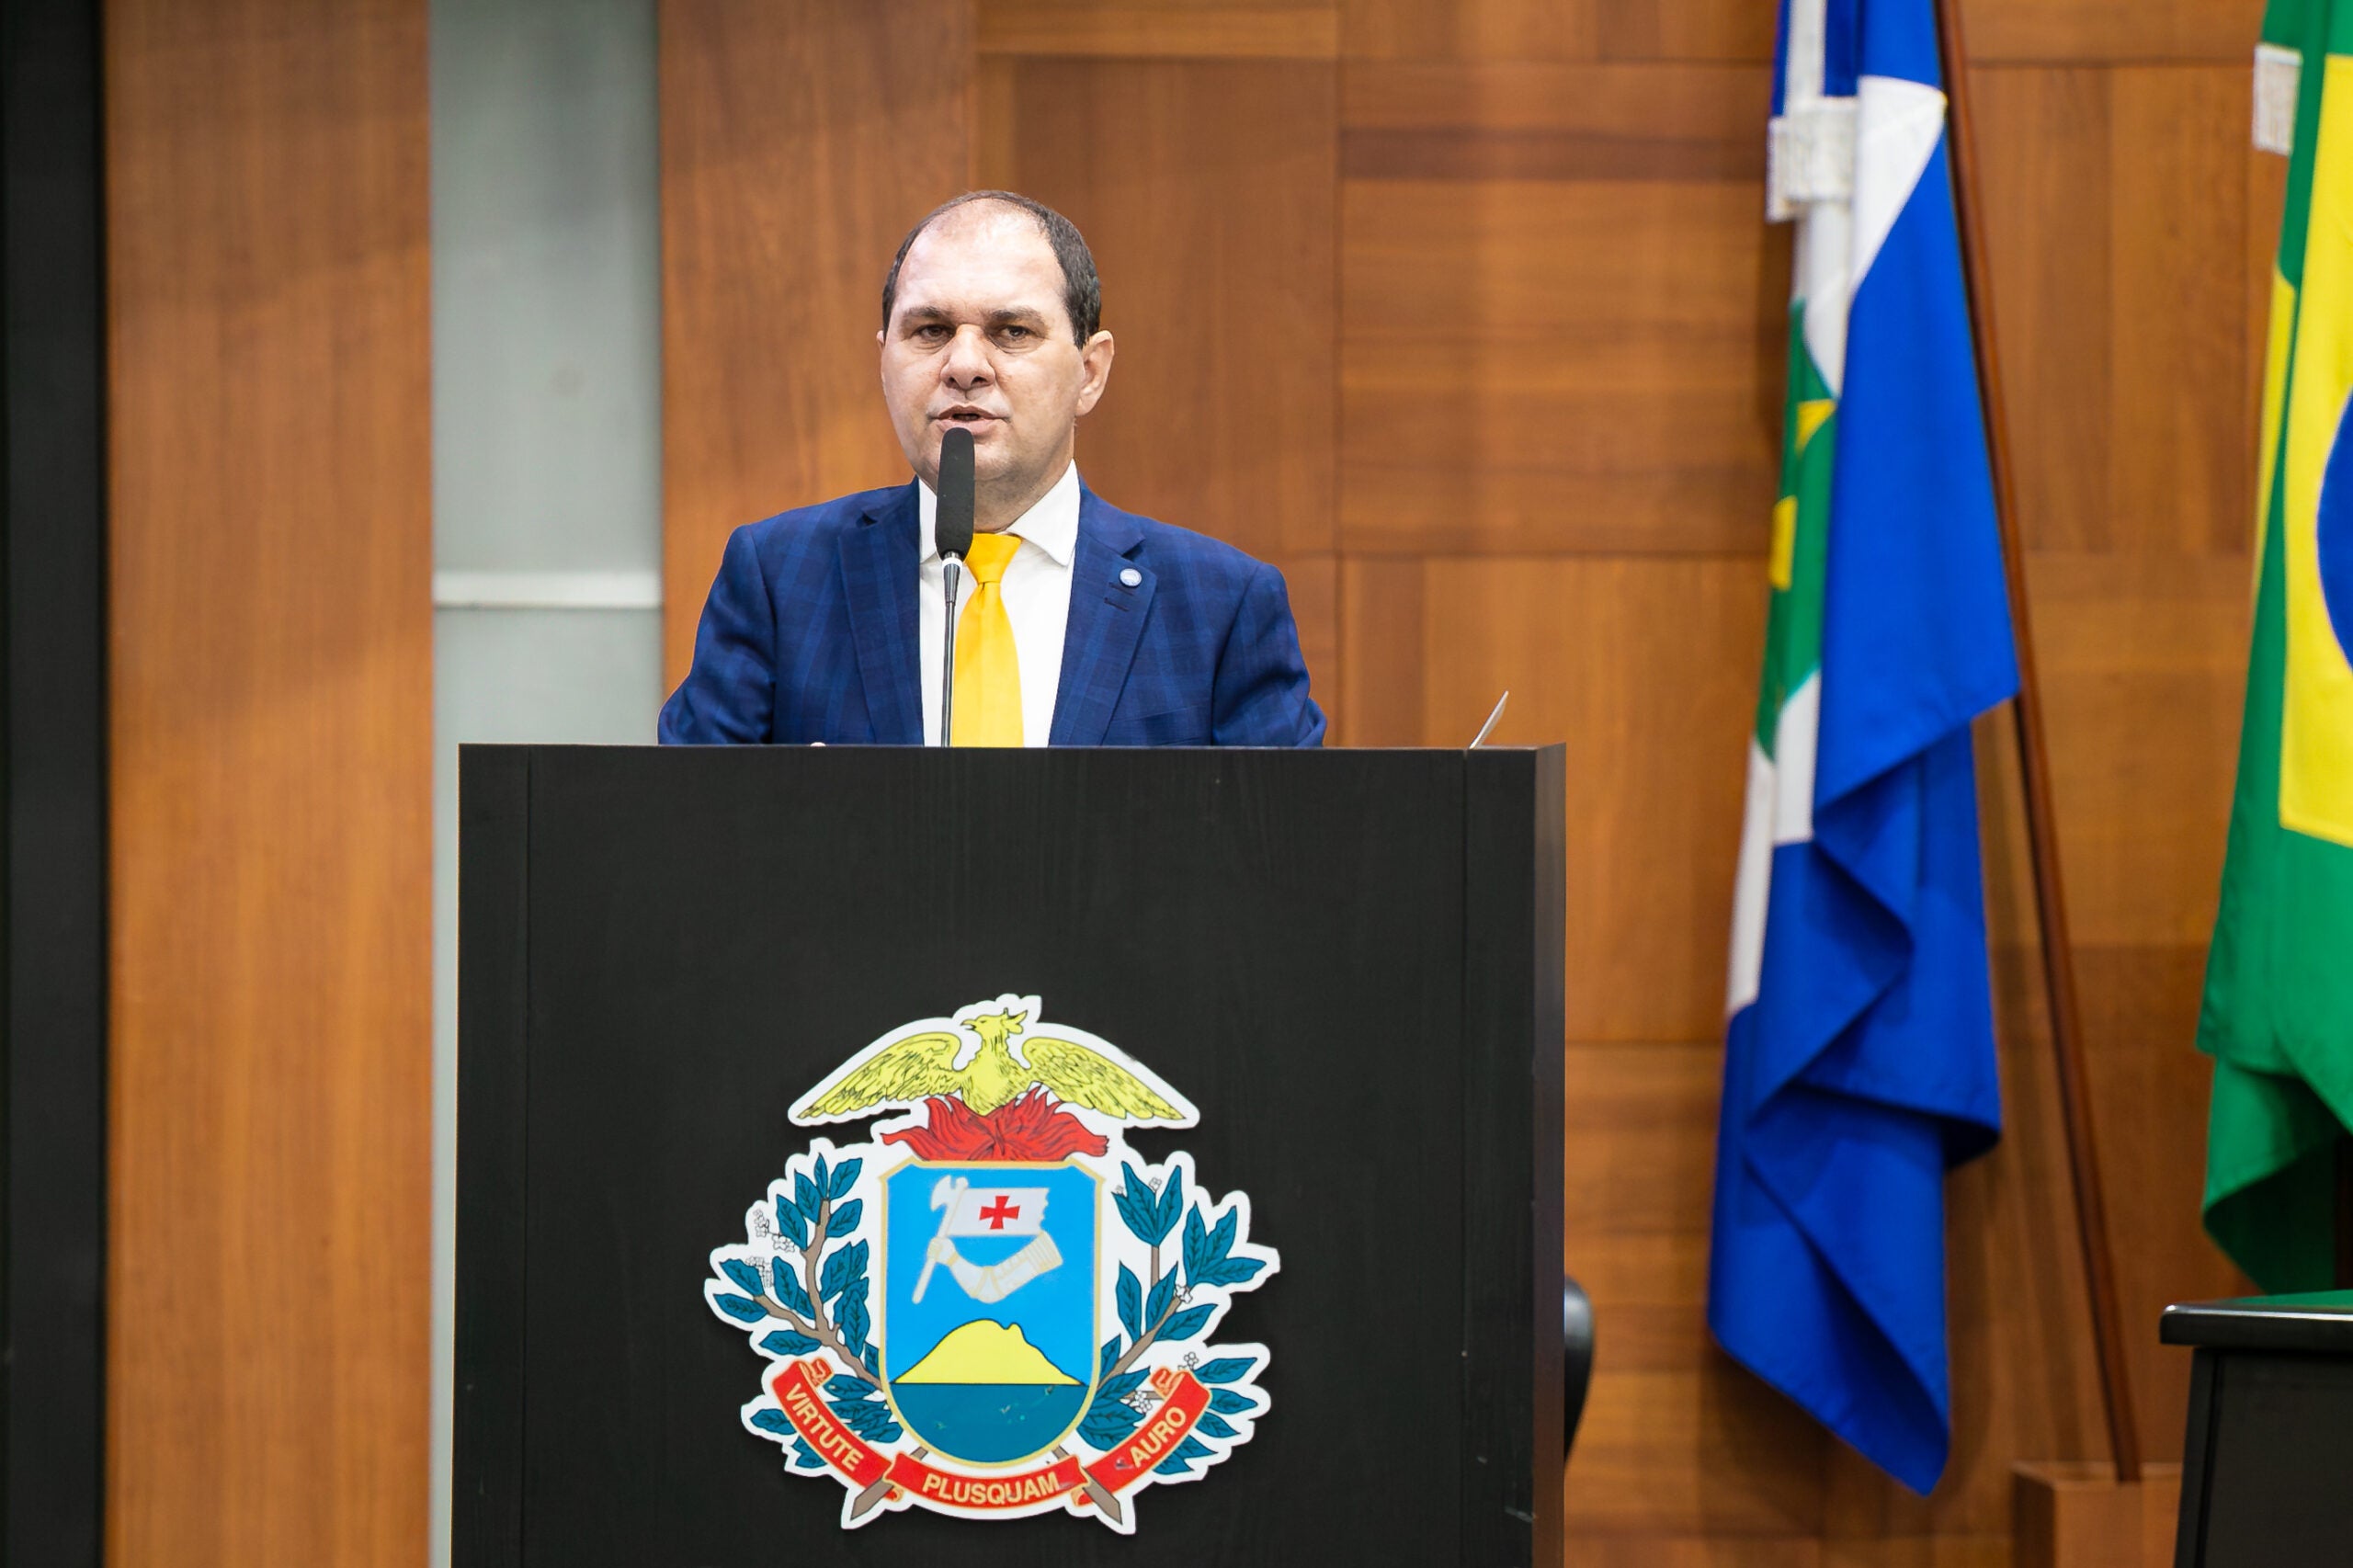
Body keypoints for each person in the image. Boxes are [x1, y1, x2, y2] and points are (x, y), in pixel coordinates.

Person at [658, 191, 1325, 747]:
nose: (965, 365)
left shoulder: (1220, 606)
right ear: (884, 362)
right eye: (930, 330)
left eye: (1012, 332)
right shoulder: (779, 579)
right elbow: (687, 837)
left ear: (1089, 372)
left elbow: (1281, 864)